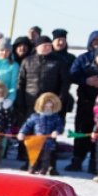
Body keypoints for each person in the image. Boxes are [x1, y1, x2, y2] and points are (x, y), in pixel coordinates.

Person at [15, 35, 70, 172]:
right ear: (37, 47)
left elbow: (64, 83)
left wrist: (60, 100)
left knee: (50, 136)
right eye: (44, 45)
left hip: (50, 106)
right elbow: (20, 83)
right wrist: (20, 101)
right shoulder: (27, 61)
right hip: (31, 104)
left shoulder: (58, 62)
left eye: (49, 45)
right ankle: (30, 162)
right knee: (31, 134)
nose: (47, 47)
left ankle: (51, 164)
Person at [66, 44, 98, 172]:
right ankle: (77, 159)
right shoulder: (87, 67)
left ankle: (94, 162)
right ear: (95, 56)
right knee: (81, 132)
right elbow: (73, 75)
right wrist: (86, 80)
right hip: (85, 104)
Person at [17, 92, 64, 175]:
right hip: (36, 141)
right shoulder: (35, 116)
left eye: (50, 103)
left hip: (48, 142)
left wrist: (56, 131)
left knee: (46, 157)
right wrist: (22, 132)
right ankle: (32, 168)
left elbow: (59, 127)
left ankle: (43, 169)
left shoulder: (55, 117)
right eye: (46, 103)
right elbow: (27, 125)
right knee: (34, 156)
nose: (48, 106)